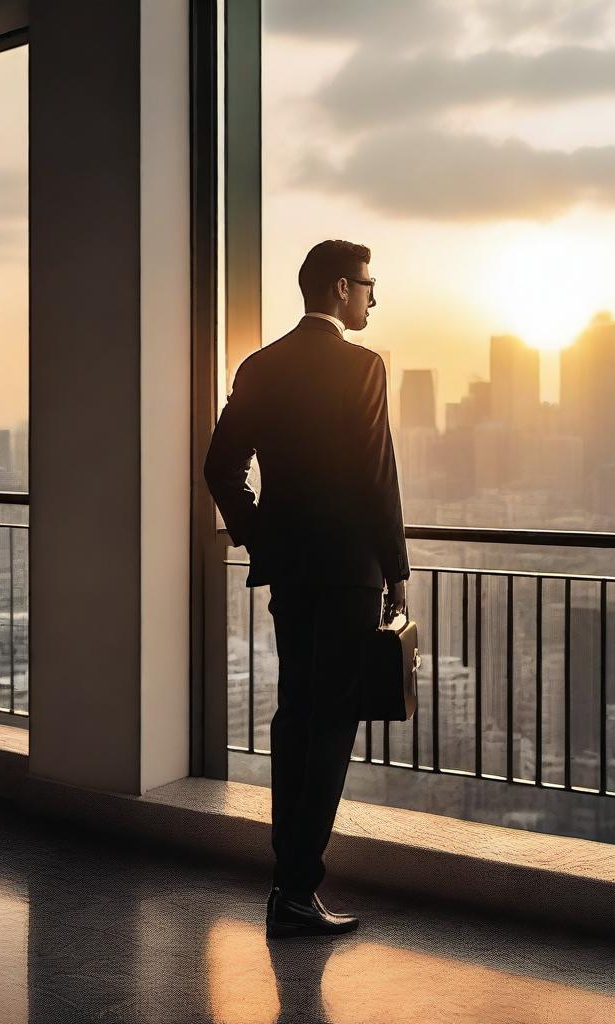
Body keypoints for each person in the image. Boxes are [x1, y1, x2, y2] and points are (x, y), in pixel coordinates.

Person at [203, 239, 409, 938]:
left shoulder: (260, 367)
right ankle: (296, 889)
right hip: (351, 570)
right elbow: (378, 479)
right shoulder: (363, 367)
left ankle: (287, 881)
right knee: (331, 724)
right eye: (368, 286)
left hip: (290, 571)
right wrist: (397, 571)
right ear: (339, 288)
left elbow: (219, 469)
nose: (374, 298)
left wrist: (263, 538)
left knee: (295, 715)